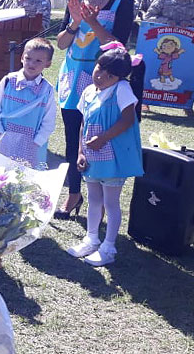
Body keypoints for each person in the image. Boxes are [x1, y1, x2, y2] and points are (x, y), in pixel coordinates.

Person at [54, 0, 136, 220]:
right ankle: (74, 193)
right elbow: (62, 44)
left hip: (102, 79)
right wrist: (75, 22)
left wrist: (95, 22)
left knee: (99, 138)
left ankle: (100, 200)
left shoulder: (123, 1)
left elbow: (119, 48)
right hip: (72, 76)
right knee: (72, 137)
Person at [66, 43, 144, 266]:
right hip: (92, 157)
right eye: (99, 69)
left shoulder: (122, 89)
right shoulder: (89, 91)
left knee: (111, 203)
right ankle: (91, 238)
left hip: (113, 158)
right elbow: (84, 122)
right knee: (94, 199)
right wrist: (81, 151)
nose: (100, 76)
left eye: (108, 75)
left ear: (118, 78)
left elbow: (128, 119)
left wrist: (102, 139)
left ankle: (108, 247)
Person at [0, 38, 56, 169]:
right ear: (21, 58)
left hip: (32, 144)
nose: (32, 64)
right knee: (0, 176)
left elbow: (49, 121)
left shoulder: (47, 90)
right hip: (4, 139)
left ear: (47, 64)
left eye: (38, 61)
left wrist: (36, 143)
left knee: (25, 182)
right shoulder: (8, 80)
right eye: (28, 58)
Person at [144, 0, 194, 119]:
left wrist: (191, 23)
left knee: (184, 72)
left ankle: (186, 105)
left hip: (184, 45)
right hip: (159, 42)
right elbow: (148, 16)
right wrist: (165, 21)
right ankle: (145, 101)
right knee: (153, 70)